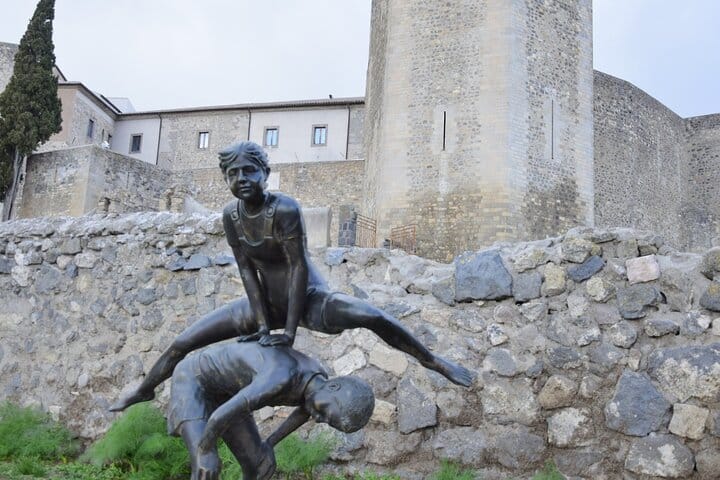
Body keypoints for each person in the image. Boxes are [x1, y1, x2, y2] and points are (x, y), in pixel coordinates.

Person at [110, 141, 473, 412]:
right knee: (183, 342)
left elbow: (298, 267)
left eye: (248, 171)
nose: (241, 179)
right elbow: (247, 270)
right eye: (232, 174)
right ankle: (145, 389)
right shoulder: (231, 216)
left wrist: (289, 332)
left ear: (265, 174)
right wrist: (262, 324)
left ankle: (433, 360)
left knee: (371, 316)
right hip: (265, 305)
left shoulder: (284, 209)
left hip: (310, 300)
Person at [168, 340, 374, 480]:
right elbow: (218, 416)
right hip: (194, 381)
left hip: (230, 395)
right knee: (206, 467)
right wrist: (204, 450)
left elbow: (305, 410)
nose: (319, 420)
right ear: (334, 387)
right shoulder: (279, 378)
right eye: (326, 415)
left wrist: (269, 444)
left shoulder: (316, 382)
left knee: (260, 465)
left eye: (327, 422)